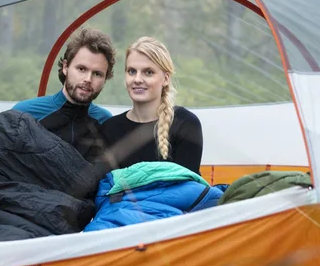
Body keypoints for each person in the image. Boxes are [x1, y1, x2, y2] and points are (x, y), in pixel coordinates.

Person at [100, 36, 203, 175]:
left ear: (165, 78)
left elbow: (188, 188)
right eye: (131, 71)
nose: (137, 79)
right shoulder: (110, 129)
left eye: (148, 72)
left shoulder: (185, 124)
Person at [13, 28, 116, 162]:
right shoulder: (24, 114)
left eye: (97, 74)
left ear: (105, 78)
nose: (88, 79)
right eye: (81, 69)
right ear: (65, 67)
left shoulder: (105, 122)